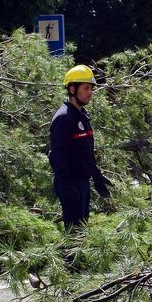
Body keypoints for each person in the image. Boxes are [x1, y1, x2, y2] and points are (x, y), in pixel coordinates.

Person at [46, 64, 111, 229]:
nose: (90, 93)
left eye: (91, 88)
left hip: (82, 182)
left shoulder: (82, 117)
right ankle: (67, 256)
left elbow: (86, 154)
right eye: (86, 88)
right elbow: (57, 156)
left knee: (82, 231)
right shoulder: (63, 118)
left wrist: (97, 178)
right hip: (69, 184)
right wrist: (68, 185)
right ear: (72, 89)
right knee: (73, 233)